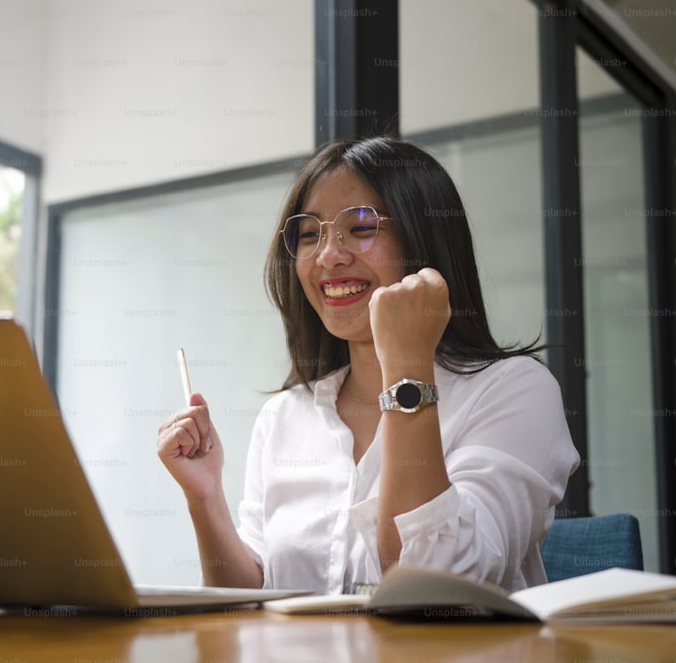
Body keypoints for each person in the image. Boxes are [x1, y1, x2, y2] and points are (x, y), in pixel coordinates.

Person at [156, 136, 580, 594]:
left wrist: (407, 365)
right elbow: (248, 601)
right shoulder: (284, 416)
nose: (328, 256)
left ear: (423, 241)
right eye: (310, 234)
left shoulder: (515, 391)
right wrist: (205, 498)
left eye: (360, 227)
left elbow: (435, 585)